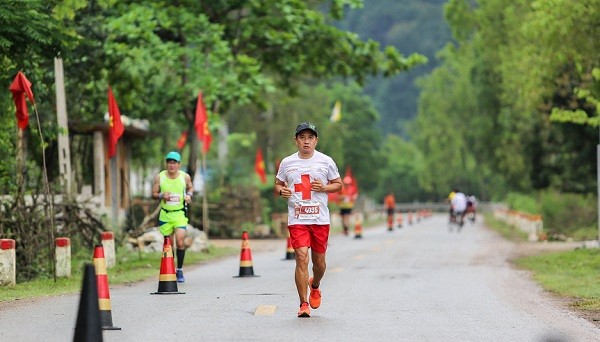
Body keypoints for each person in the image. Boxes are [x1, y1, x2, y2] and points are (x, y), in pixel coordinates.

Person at [275, 122, 342, 318]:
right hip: (297, 218)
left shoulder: (326, 161)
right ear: (296, 140)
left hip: (320, 219)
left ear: (316, 140)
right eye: (302, 137)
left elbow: (338, 185)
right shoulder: (287, 163)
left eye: (310, 138)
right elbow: (278, 184)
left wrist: (324, 188)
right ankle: (303, 303)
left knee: (319, 263)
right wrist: (282, 191)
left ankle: (315, 284)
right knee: (301, 257)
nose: (306, 141)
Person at [151, 151, 194, 283]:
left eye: (174, 163)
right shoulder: (160, 177)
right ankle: (171, 269)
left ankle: (179, 270)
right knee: (168, 244)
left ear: (179, 164)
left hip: (179, 214)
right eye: (169, 162)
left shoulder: (185, 177)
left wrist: (189, 196)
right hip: (165, 214)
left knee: (180, 241)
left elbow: (191, 188)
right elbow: (153, 193)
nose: (171, 165)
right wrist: (160, 195)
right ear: (167, 164)